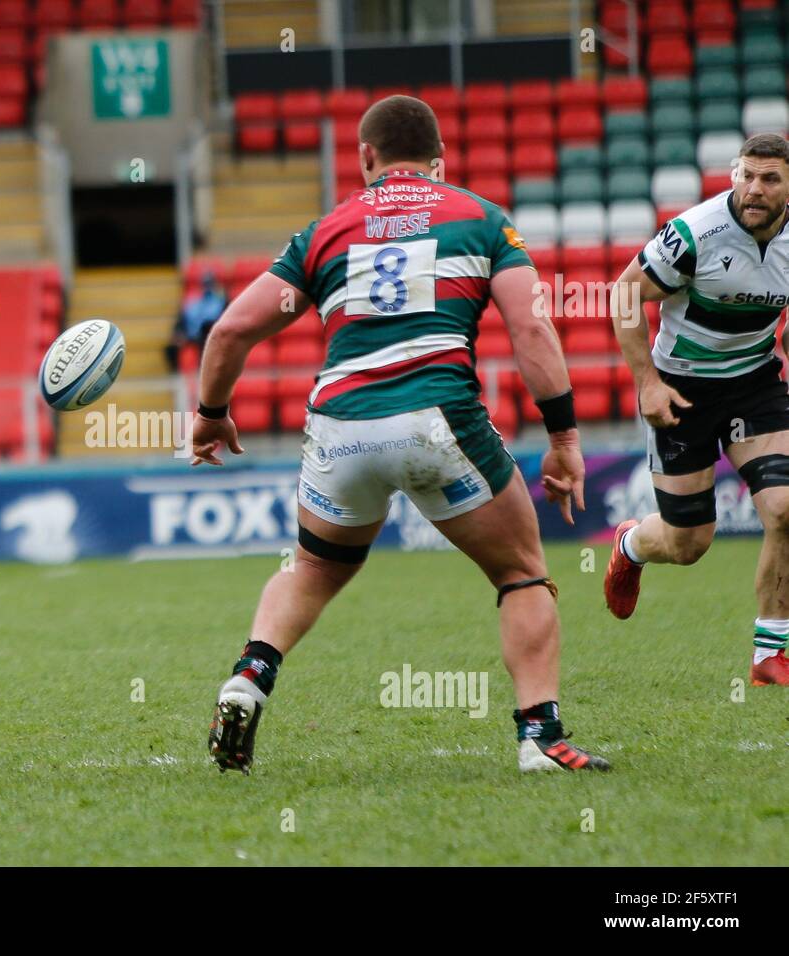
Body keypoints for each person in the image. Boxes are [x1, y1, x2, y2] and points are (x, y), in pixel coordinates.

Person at [190, 95, 609, 774]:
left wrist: (211, 413)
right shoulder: (480, 219)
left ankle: (249, 677)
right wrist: (563, 440)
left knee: (311, 570)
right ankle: (540, 737)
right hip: (436, 419)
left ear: (364, 157)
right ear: (440, 161)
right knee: (520, 572)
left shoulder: (326, 229)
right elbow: (531, 329)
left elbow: (232, 329)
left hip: (341, 426)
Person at [604, 134, 789, 687]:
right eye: (745, 175)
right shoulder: (694, 233)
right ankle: (631, 545)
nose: (754, 189)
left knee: (784, 509)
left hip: (755, 384)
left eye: (770, 179)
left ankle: (770, 653)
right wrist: (647, 383)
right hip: (682, 391)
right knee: (689, 545)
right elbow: (624, 295)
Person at [165, 269, 228, 371]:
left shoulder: (221, 301)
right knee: (170, 348)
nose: (207, 286)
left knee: (204, 340)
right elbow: (182, 319)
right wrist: (178, 332)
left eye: (210, 283)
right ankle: (177, 375)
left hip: (207, 335)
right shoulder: (193, 302)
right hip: (191, 335)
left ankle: (204, 371)